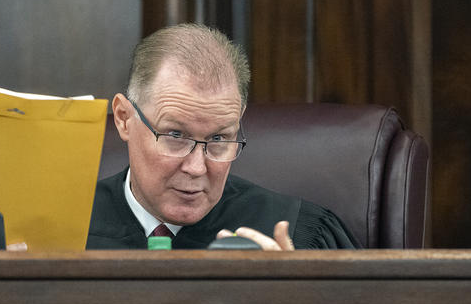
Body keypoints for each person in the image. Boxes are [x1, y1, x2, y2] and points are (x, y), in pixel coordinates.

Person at [86, 23, 359, 250]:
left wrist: (289, 299)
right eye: (175, 135)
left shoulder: (299, 238)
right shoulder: (65, 230)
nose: (196, 167)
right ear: (124, 118)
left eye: (218, 140)